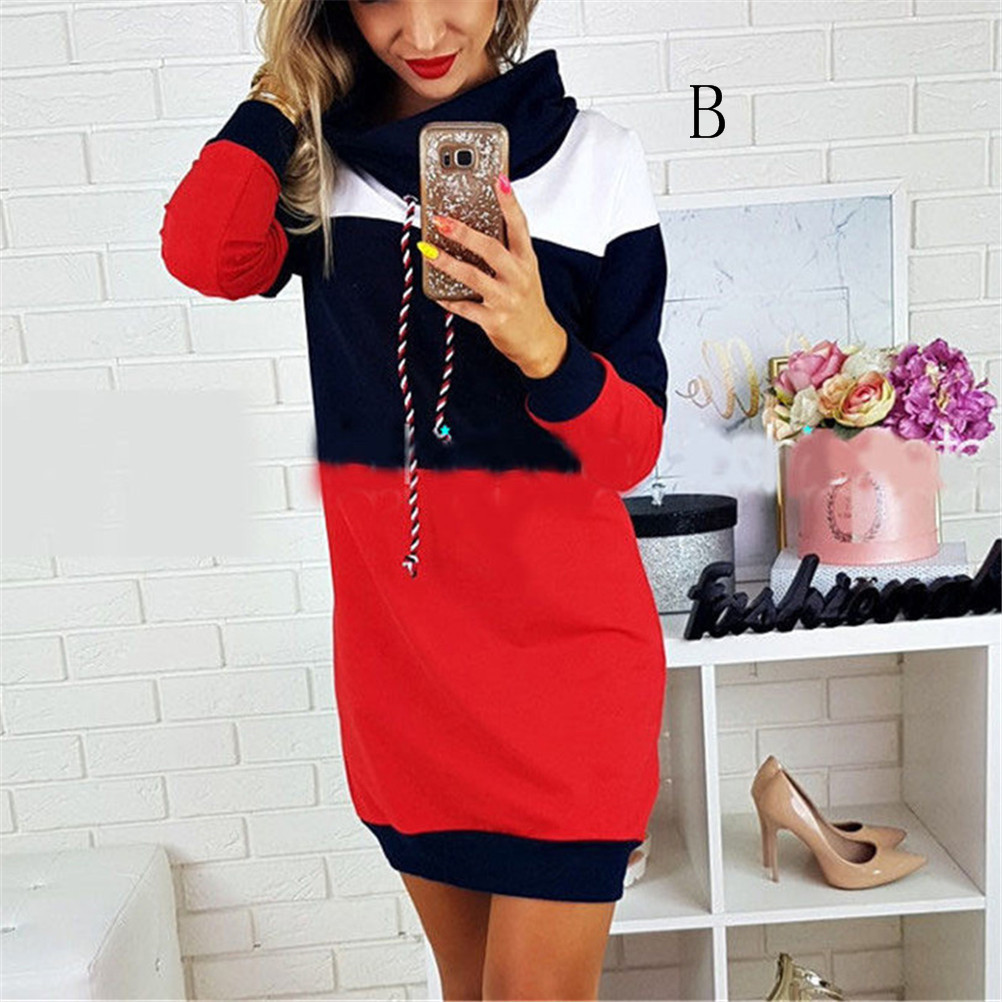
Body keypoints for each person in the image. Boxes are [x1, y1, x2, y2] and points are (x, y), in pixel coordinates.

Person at [160, 1, 669, 998]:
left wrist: (540, 342)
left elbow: (632, 449)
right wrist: (287, 88)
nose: (422, 30)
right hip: (406, 669)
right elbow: (204, 254)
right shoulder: (318, 164)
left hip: (571, 668)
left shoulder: (597, 160)